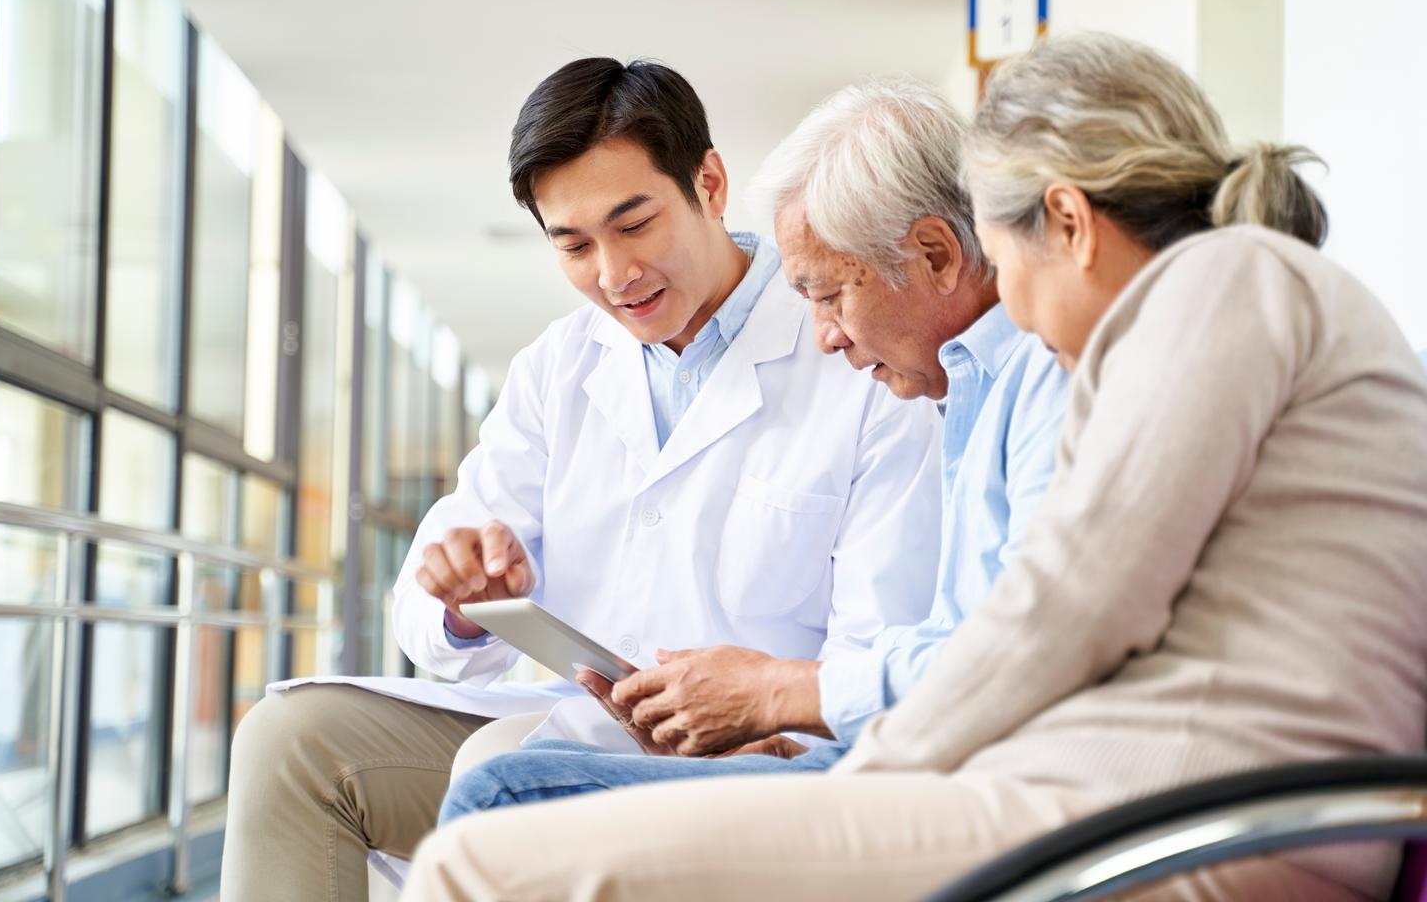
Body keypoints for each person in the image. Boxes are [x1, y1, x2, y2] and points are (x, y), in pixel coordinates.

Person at [400, 32, 1427, 902]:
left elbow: (1070, 610)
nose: (1011, 311)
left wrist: (852, 772)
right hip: (1132, 799)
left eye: (1005, 263)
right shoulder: (1228, 303)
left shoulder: (1225, 288)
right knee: (504, 810)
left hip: (1174, 822)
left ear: (1069, 225)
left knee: (478, 849)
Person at [217, 60, 945, 902]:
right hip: (579, 719)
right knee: (292, 739)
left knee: (506, 777)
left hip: (762, 752)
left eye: (634, 224)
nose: (614, 273)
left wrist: (774, 717)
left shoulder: (859, 352)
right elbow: (431, 611)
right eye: (573, 244)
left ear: (709, 183)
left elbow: (885, 643)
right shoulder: (558, 368)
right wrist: (462, 595)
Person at [434, 76, 1069, 817]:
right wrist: (464, 594)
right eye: (574, 245)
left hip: (922, 779)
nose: (826, 334)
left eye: (830, 295)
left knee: (505, 792)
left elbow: (1001, 657)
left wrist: (775, 701)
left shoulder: (1013, 384)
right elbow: (950, 643)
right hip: (837, 746)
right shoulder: (970, 388)